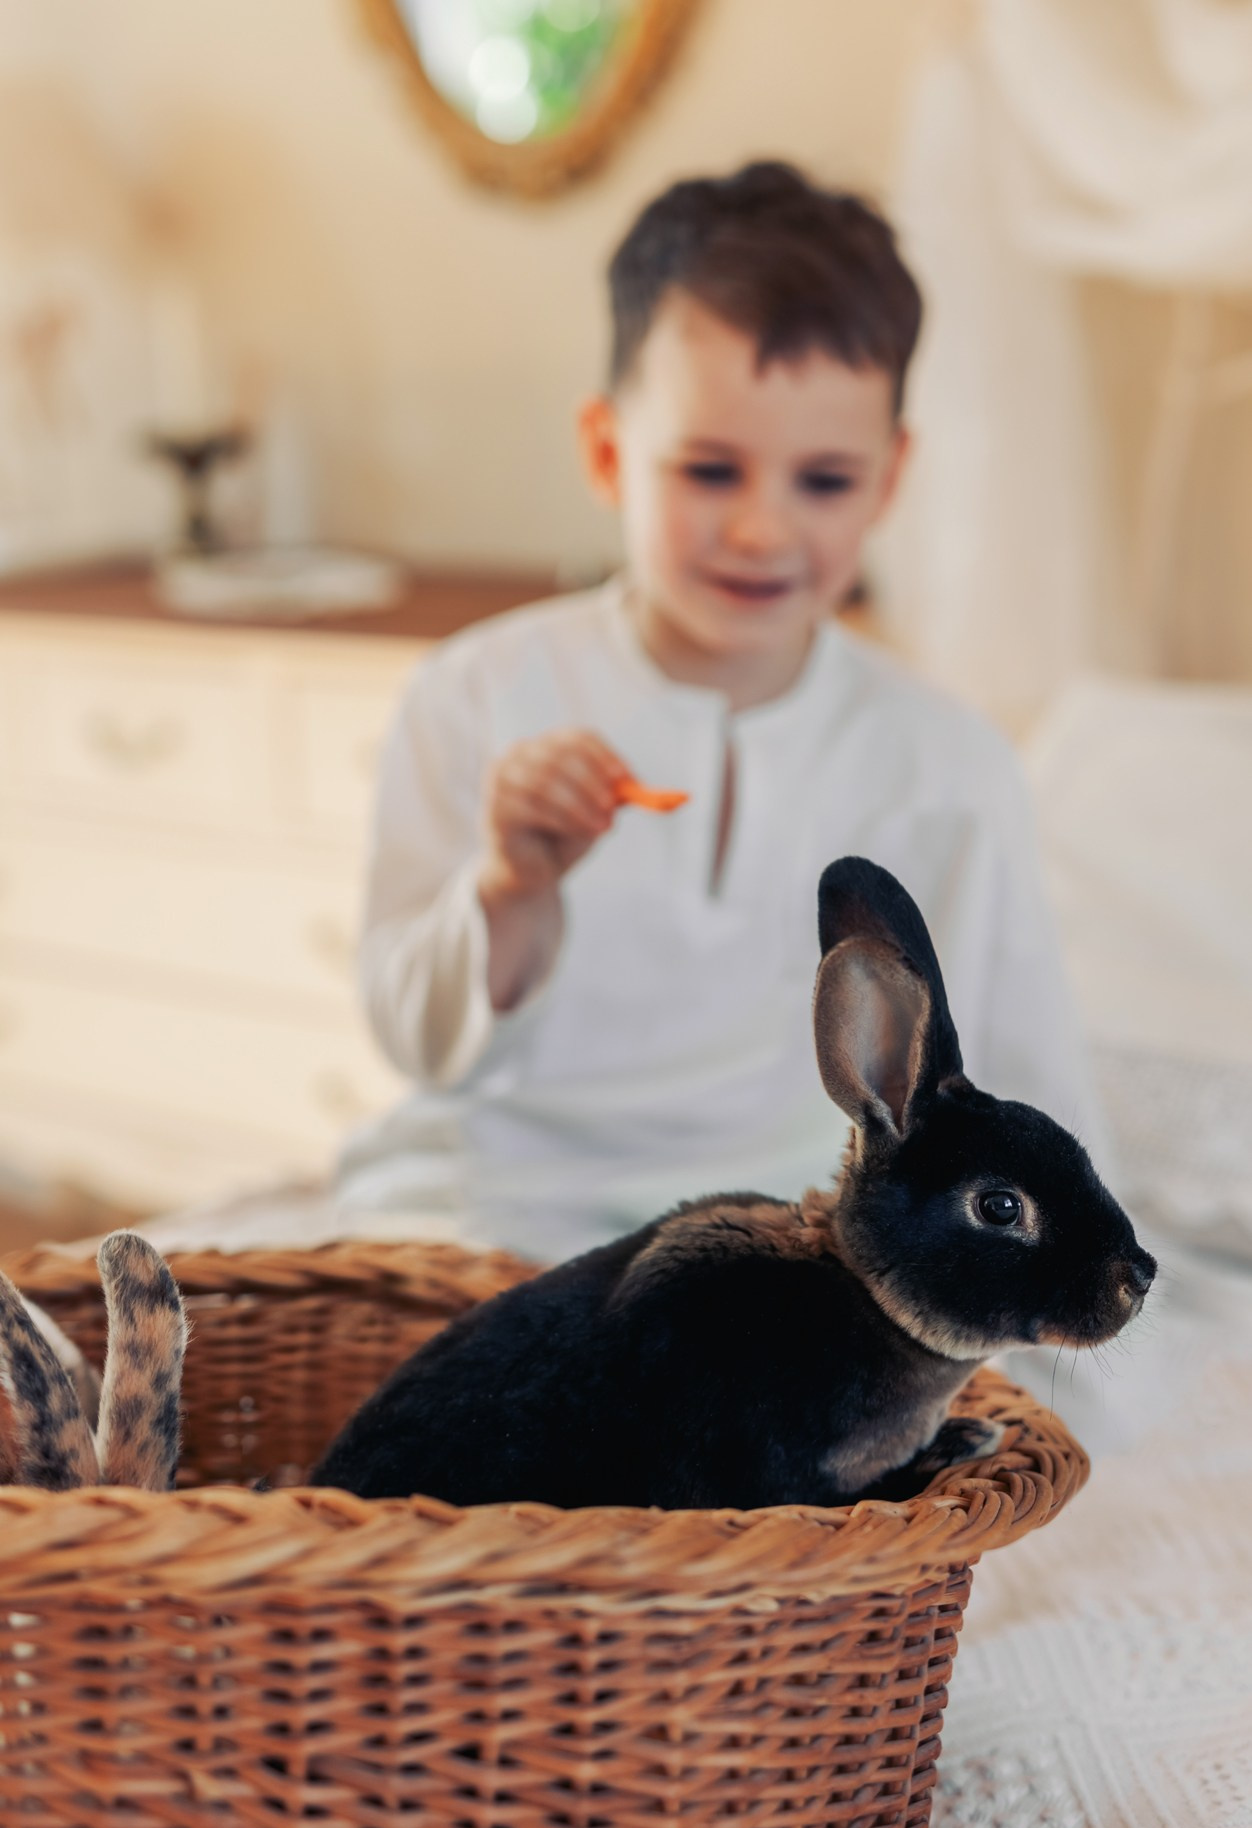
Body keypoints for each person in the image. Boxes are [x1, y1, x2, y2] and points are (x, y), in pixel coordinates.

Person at [336, 160, 1103, 1262]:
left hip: (790, 1254)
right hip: (496, 1218)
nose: (761, 530)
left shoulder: (948, 763)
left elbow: (1022, 1068)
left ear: (889, 481)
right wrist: (511, 885)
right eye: (708, 469)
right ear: (608, 453)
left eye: (824, 481)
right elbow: (415, 1041)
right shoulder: (473, 694)